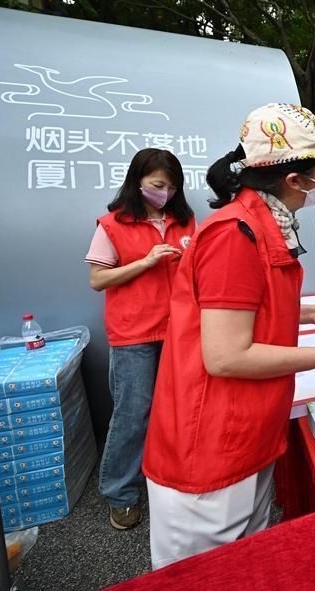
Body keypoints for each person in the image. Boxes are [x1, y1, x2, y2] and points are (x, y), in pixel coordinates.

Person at [142, 103, 315, 569]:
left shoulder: (263, 222)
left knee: (248, 564)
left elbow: (244, 309)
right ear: (294, 181)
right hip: (210, 448)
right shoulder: (236, 235)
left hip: (244, 433)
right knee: (208, 574)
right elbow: (226, 356)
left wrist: (304, 309)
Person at [85, 148, 195, 531]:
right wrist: (145, 262)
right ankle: (120, 493)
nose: (165, 192)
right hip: (134, 333)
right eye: (157, 184)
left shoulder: (184, 220)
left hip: (179, 328)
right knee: (133, 413)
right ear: (138, 181)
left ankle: (171, 481)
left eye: (172, 186)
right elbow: (98, 279)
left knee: (179, 410)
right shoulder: (113, 223)